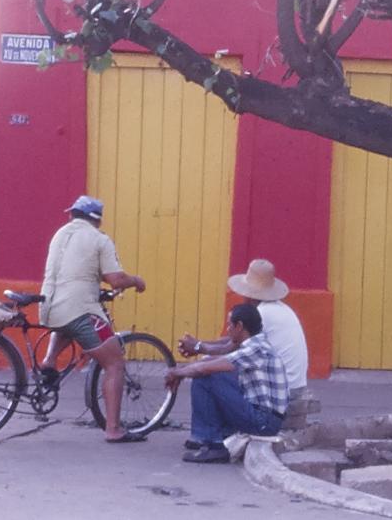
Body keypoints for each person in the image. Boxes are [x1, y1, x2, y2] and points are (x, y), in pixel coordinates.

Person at [38, 195, 147, 443]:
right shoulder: (99, 239)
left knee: (67, 321)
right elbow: (116, 279)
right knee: (114, 363)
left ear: (73, 215)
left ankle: (49, 360)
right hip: (79, 308)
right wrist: (136, 281)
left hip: (49, 307)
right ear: (97, 220)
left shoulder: (59, 234)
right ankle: (113, 429)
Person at [166, 302, 289, 463]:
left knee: (206, 376)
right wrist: (184, 369)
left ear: (239, 326)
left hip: (264, 422)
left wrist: (178, 373)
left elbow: (207, 368)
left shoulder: (255, 349)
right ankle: (218, 434)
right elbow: (218, 356)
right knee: (209, 371)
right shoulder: (255, 343)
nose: (228, 329)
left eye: (229, 325)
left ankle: (213, 445)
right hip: (263, 415)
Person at [176, 258, 308, 393]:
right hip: (291, 383)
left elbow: (229, 349)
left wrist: (198, 347)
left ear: (250, 295)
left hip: (283, 389)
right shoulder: (279, 308)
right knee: (208, 363)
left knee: (206, 375)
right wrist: (198, 344)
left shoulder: (262, 313)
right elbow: (231, 339)